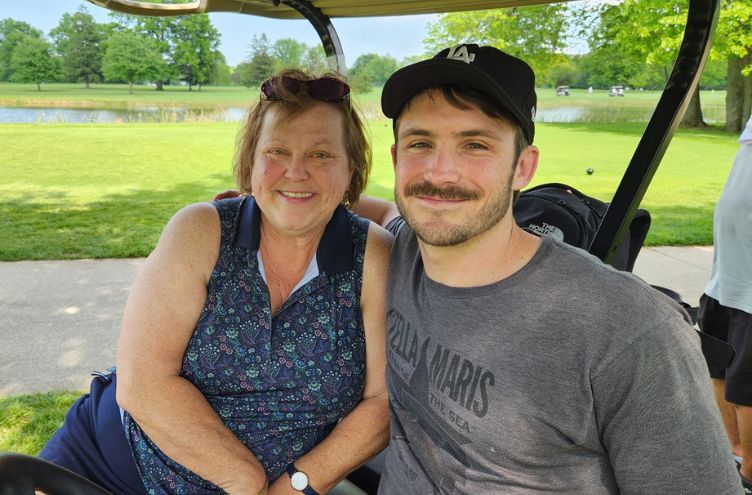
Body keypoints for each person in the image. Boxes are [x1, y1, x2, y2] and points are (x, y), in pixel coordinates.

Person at [351, 44, 742, 493]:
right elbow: (379, 211)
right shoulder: (401, 250)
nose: (440, 173)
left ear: (523, 167)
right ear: (398, 160)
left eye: (475, 144)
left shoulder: (628, 330)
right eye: (421, 144)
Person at [38, 69, 391, 495]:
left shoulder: (372, 256)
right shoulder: (201, 232)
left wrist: (295, 486)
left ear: (351, 168)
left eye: (321, 155)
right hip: (111, 466)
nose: (296, 172)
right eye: (277, 151)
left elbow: (383, 404)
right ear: (251, 162)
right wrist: (244, 480)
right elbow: (143, 381)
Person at [698, 115, 752, 491]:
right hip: (726, 273)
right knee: (719, 366)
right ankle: (732, 455)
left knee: (747, 386)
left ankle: (749, 473)